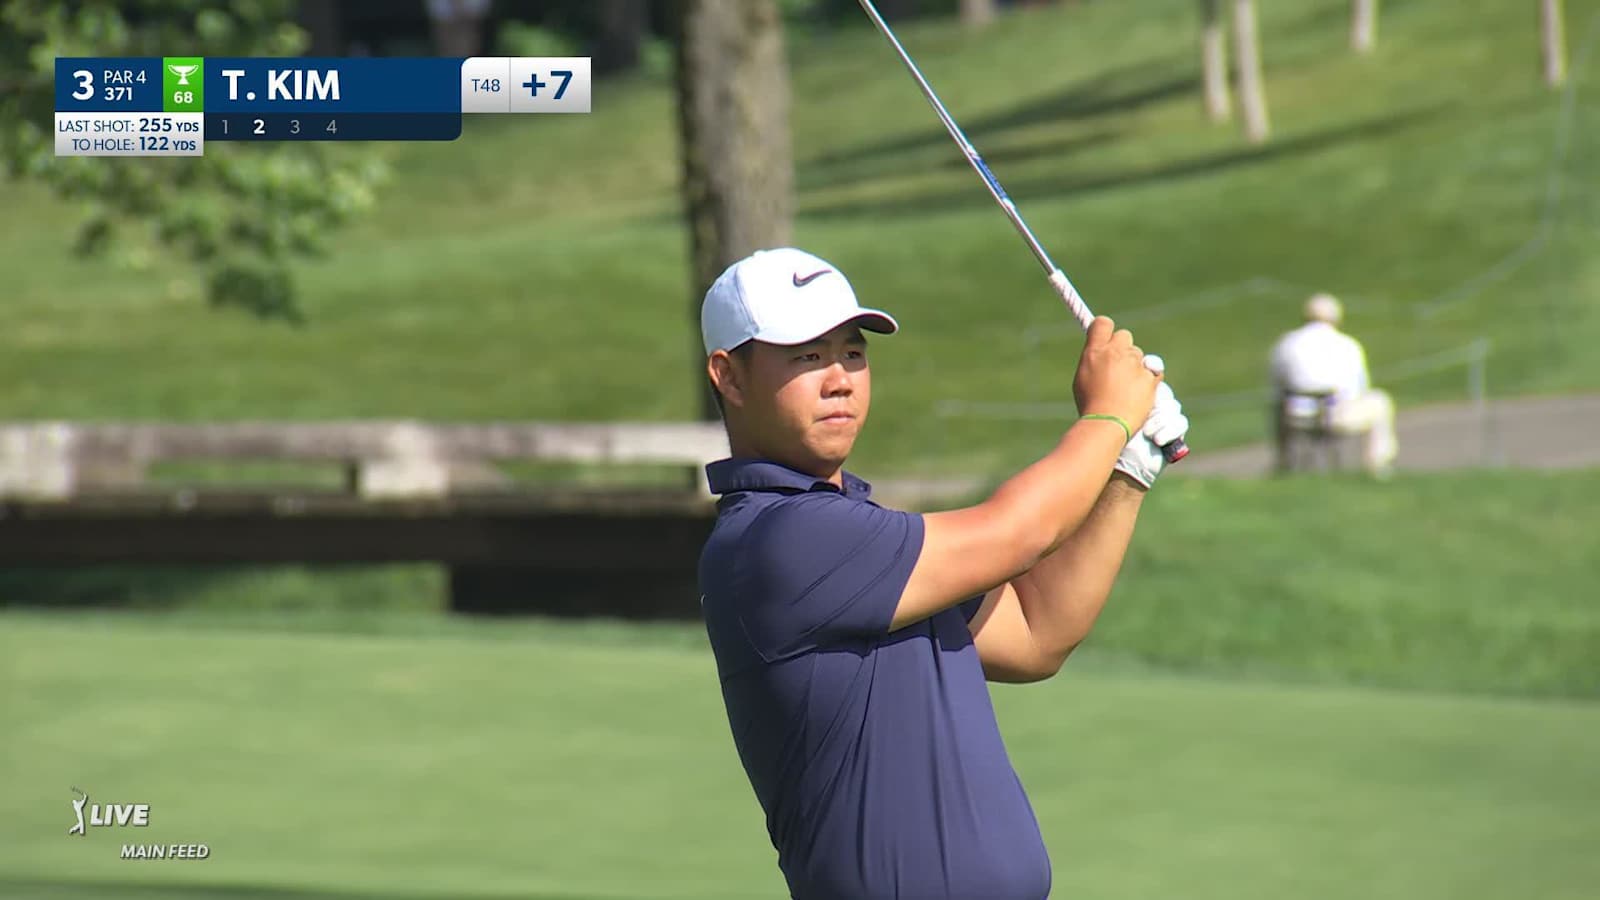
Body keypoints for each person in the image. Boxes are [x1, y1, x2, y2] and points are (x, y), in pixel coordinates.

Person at [696, 247, 1189, 900]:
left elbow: (1037, 633)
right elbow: (1018, 532)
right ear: (729, 376)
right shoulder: (779, 539)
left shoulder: (862, 538)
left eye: (852, 353)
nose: (840, 378)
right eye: (807, 357)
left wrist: (1128, 467)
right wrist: (1108, 417)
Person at [1268, 292, 1397, 477]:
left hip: (1294, 417)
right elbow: (1360, 389)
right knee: (1380, 401)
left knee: (1277, 404)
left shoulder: (1287, 343)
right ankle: (1377, 465)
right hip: (1336, 416)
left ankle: (1284, 462)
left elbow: (1276, 383)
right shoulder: (1348, 346)